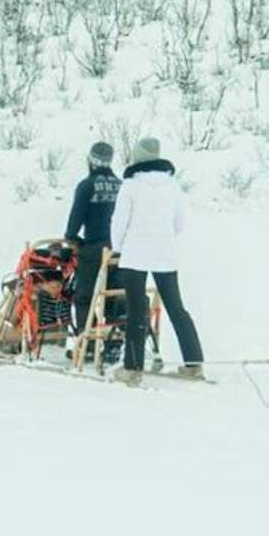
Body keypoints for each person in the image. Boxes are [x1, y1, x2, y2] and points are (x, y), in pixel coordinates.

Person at [109, 137, 205, 378]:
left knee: (136, 309)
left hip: (134, 254)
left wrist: (119, 247)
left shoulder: (130, 185)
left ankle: (133, 368)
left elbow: (118, 222)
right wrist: (163, 237)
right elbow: (180, 223)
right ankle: (194, 363)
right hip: (165, 254)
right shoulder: (172, 185)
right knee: (176, 307)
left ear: (138, 157)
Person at [64, 141, 122, 339]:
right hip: (121, 249)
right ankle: (115, 340)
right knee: (114, 295)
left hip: (94, 249)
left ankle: (88, 341)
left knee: (84, 297)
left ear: (91, 160)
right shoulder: (121, 186)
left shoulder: (87, 186)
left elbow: (74, 223)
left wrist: (73, 240)